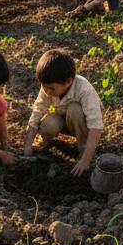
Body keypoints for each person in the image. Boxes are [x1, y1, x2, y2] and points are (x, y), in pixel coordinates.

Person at [23, 49, 103, 177]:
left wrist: (85, 160)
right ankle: (42, 143)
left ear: (68, 82)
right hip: (63, 118)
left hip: (83, 125)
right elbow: (37, 112)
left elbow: (95, 126)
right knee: (49, 123)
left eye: (51, 88)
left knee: (74, 109)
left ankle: (83, 150)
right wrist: (28, 144)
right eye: (44, 86)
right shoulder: (49, 87)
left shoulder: (84, 89)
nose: (47, 91)